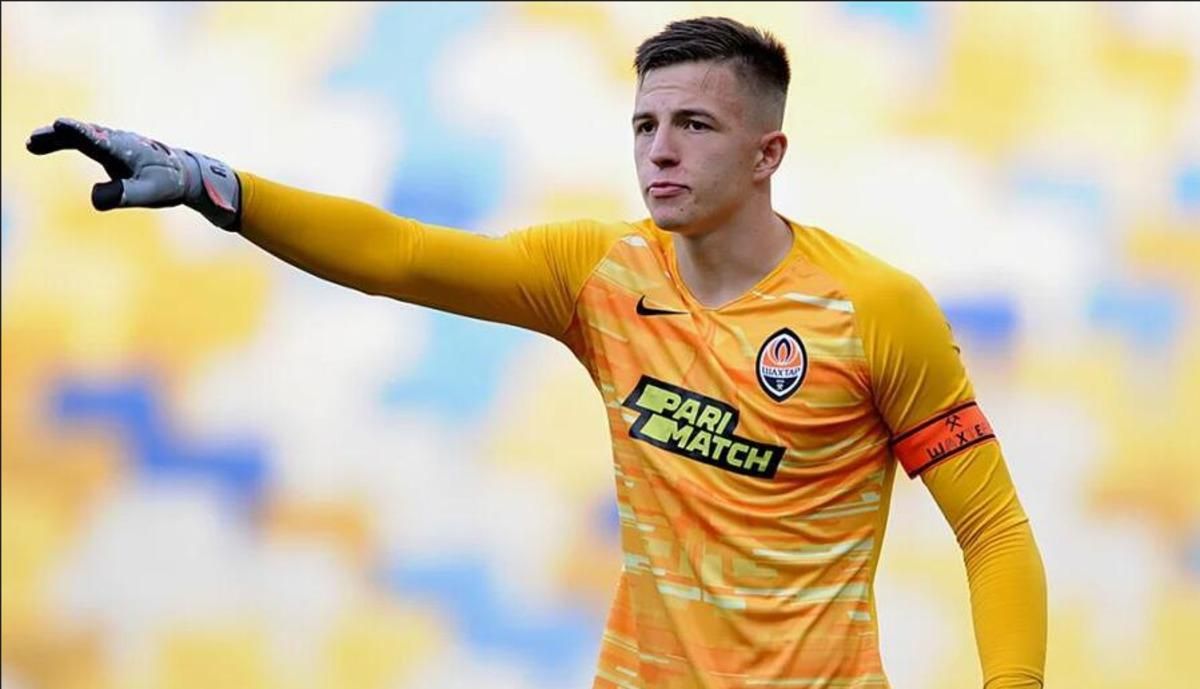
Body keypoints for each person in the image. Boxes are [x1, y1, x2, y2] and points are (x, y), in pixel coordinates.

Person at [26, 15, 1047, 689]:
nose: (660, 149)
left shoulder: (877, 309)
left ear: (766, 153)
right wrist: (215, 186)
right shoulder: (597, 273)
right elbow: (400, 254)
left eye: (695, 124)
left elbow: (993, 528)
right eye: (645, 124)